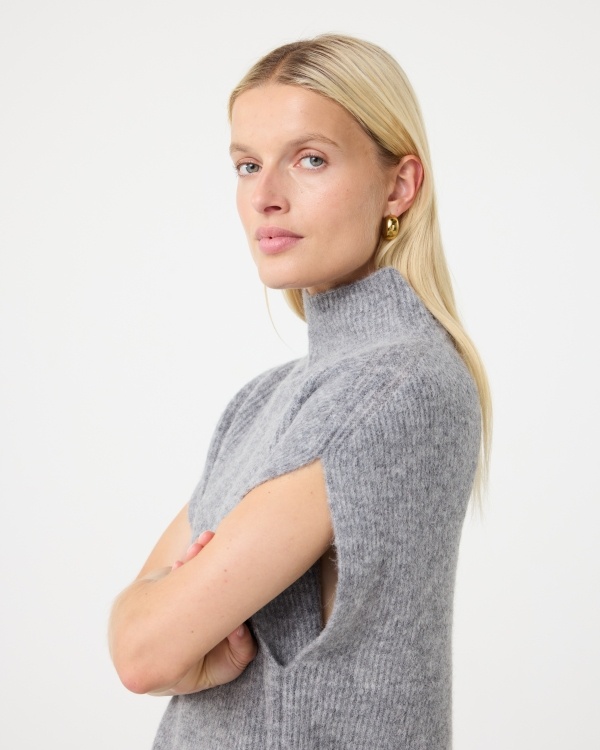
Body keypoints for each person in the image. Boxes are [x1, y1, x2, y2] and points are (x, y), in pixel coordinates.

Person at [109, 34, 491, 749]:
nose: (266, 197)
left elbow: (142, 652)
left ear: (400, 186)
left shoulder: (395, 386)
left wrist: (173, 615)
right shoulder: (265, 400)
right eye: (247, 165)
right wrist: (156, 615)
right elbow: (134, 627)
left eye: (310, 159)